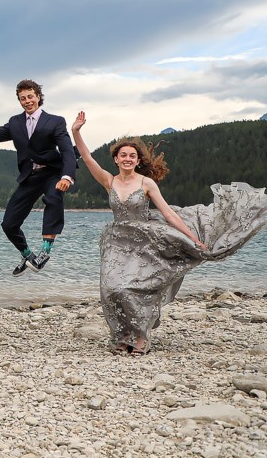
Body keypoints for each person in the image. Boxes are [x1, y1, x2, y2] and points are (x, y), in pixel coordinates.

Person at [71, 111, 267, 355]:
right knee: (111, 288)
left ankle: (140, 337)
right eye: (123, 155)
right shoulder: (108, 181)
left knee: (137, 288)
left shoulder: (146, 183)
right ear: (116, 159)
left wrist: (193, 239)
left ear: (137, 160)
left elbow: (169, 214)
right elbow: (88, 158)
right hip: (117, 242)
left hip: (145, 241)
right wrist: (76, 132)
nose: (128, 159)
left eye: (132, 156)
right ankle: (122, 335)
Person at [0, 79, 77, 276]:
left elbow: (67, 150)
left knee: (53, 197)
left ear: (38, 97)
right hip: (30, 175)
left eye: (30, 96)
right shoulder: (15, 122)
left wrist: (67, 176)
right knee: (8, 223)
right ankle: (26, 254)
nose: (27, 101)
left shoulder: (55, 121)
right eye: (22, 98)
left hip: (52, 172)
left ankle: (45, 252)